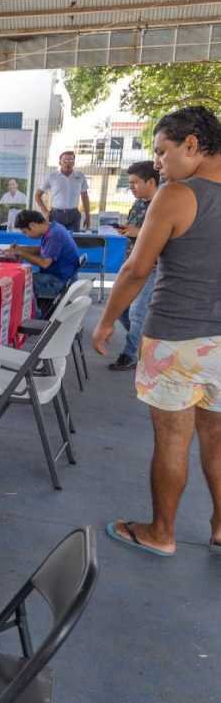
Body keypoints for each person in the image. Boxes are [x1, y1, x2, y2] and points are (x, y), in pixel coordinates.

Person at [92, 106, 221, 557]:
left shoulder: (176, 196)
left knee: (172, 440)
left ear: (192, 145)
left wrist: (107, 319)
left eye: (163, 152)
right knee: (218, 440)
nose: (159, 164)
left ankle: (161, 532)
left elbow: (136, 269)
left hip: (177, 338)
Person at [109, 161, 161, 371]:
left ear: (150, 181)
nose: (131, 187)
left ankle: (130, 355)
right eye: (129, 183)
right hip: (132, 263)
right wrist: (128, 230)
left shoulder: (164, 203)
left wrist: (138, 232)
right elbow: (137, 229)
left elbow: (166, 236)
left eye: (134, 183)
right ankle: (144, 345)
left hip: (152, 267)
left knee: (137, 313)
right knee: (120, 308)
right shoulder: (139, 203)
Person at [8, 209, 81, 299]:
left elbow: (44, 263)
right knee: (22, 278)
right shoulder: (53, 228)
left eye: (25, 232)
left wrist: (21, 253)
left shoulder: (54, 235)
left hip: (60, 282)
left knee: (19, 283)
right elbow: (43, 250)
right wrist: (20, 248)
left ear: (32, 225)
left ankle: (36, 313)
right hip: (60, 276)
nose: (26, 235)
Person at [36, 151, 91, 232]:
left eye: (71, 160)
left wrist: (88, 216)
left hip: (74, 215)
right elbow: (37, 195)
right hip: (56, 215)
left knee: (73, 241)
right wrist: (45, 212)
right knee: (56, 240)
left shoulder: (80, 176)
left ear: (74, 163)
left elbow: (85, 197)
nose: (68, 163)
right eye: (65, 160)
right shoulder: (52, 176)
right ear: (60, 162)